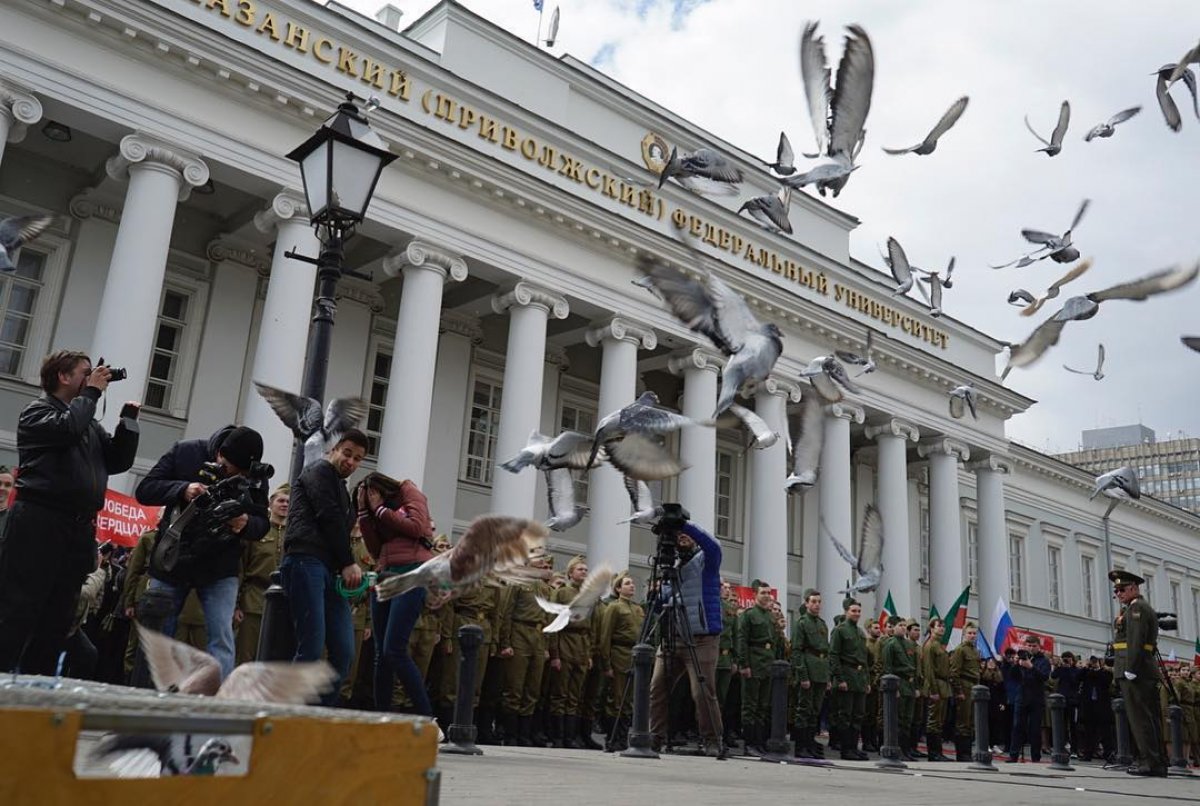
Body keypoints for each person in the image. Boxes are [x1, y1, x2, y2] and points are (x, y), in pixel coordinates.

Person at [0, 351, 139, 674]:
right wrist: (91, 393)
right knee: (19, 608)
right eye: (86, 373)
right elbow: (66, 430)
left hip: (76, 527)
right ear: (63, 377)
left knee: (59, 615)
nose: (94, 378)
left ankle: (37, 691)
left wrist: (129, 424)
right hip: (39, 520)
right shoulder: (38, 412)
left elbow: (117, 461)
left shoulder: (87, 423)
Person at [137, 425, 270, 680]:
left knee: (222, 638)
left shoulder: (255, 475)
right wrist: (182, 489)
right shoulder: (185, 452)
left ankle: (217, 704)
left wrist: (244, 523)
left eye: (244, 473)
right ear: (219, 454)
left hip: (220, 565)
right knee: (159, 632)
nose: (237, 476)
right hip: (173, 559)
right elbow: (145, 490)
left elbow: (261, 522)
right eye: (232, 470)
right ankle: (150, 695)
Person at [280, 429, 368, 705]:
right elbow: (329, 518)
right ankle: (289, 715)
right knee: (311, 647)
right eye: (347, 453)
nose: (351, 461)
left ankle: (318, 713)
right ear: (334, 449)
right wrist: (348, 563)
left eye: (357, 458)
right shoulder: (318, 472)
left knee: (343, 652)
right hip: (306, 559)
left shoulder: (340, 487)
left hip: (328, 569)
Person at [358, 472, 434, 715]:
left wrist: (380, 510)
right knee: (382, 654)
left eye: (372, 493)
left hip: (411, 573)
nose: (371, 498)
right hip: (385, 573)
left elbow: (416, 527)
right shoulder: (377, 512)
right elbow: (375, 549)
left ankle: (426, 717)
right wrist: (364, 514)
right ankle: (382, 717)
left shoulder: (408, 491)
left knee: (395, 649)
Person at [648, 521, 725, 755]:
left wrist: (683, 524)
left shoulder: (705, 560)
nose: (681, 537)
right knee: (656, 688)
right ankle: (654, 737)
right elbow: (663, 600)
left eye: (685, 535)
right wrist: (655, 594)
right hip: (673, 636)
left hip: (702, 639)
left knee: (702, 692)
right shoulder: (672, 567)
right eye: (677, 535)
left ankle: (712, 740)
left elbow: (714, 546)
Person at [1109, 569, 1167, 776]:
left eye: (1122, 589)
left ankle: (1150, 762)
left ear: (1134, 588)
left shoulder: (1137, 608)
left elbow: (1136, 641)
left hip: (1136, 670)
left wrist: (1131, 669)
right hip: (1140, 669)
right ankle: (1154, 761)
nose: (1118, 594)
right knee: (1146, 717)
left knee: (1141, 718)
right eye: (1116, 591)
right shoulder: (1133, 608)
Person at [234, 482, 288, 666]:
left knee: (274, 659)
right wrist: (237, 604)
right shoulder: (258, 530)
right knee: (246, 657)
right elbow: (241, 567)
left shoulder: (294, 535)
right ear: (271, 504)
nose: (285, 505)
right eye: (281, 500)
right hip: (254, 600)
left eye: (289, 502)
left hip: (284, 603)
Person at [598, 571, 645, 751]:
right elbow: (605, 637)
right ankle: (612, 738)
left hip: (634, 655)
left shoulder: (638, 609)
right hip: (619, 654)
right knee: (617, 699)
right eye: (627, 583)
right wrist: (606, 663)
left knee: (629, 701)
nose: (632, 586)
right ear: (618, 589)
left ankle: (623, 738)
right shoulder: (614, 607)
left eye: (632, 583)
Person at [736, 580, 778, 755]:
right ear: (755, 595)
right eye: (763, 593)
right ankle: (749, 743)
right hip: (753, 662)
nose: (767, 596)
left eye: (769, 593)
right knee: (750, 705)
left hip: (767, 663)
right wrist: (744, 664)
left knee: (763, 705)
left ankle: (760, 742)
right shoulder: (749, 615)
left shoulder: (769, 616)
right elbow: (742, 640)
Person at [791, 588, 831, 759]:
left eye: (819, 602)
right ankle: (801, 746)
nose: (817, 605)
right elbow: (797, 651)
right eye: (813, 601)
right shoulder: (801, 623)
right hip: (808, 668)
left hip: (821, 671)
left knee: (815, 711)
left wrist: (827, 677)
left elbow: (826, 652)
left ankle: (811, 746)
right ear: (806, 603)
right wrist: (803, 676)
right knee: (804, 710)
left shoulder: (822, 624)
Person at [829, 597, 870, 760]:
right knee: (845, 715)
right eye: (853, 611)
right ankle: (846, 749)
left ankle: (854, 747)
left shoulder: (860, 632)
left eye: (859, 611)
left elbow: (864, 658)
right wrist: (839, 679)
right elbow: (834, 655)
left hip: (859, 677)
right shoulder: (840, 630)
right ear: (846, 611)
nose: (857, 614)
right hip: (847, 674)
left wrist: (866, 681)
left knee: (858, 714)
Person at [1006, 634, 1050, 763]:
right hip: (1021, 696)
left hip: (1036, 698)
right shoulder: (1022, 658)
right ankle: (1013, 755)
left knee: (1035, 729)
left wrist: (1031, 667)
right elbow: (1012, 677)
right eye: (1029, 646)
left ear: (1038, 647)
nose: (1031, 648)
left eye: (1034, 646)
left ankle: (1035, 757)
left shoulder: (1043, 661)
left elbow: (1044, 677)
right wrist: (1016, 664)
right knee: (1017, 727)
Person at [881, 615, 917, 760]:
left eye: (904, 625)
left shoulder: (909, 645)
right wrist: (893, 689)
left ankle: (906, 749)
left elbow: (914, 666)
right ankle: (898, 749)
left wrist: (915, 686)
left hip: (909, 684)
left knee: (908, 720)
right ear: (893, 627)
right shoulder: (890, 644)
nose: (903, 628)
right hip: (899, 683)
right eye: (900, 625)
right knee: (899, 719)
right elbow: (888, 667)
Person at [949, 621, 982, 760]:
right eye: (969, 633)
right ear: (964, 634)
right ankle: (962, 754)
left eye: (974, 633)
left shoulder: (975, 651)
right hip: (964, 685)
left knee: (971, 721)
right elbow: (954, 672)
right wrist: (959, 691)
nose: (972, 636)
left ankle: (968, 752)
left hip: (974, 687)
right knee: (963, 721)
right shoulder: (960, 650)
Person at [922, 617, 951, 761]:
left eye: (943, 626)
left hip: (943, 685)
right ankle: (933, 753)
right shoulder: (930, 645)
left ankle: (938, 752)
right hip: (936, 685)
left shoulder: (939, 645)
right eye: (939, 626)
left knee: (939, 721)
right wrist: (933, 690)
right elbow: (928, 670)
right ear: (932, 628)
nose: (942, 628)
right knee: (933, 720)